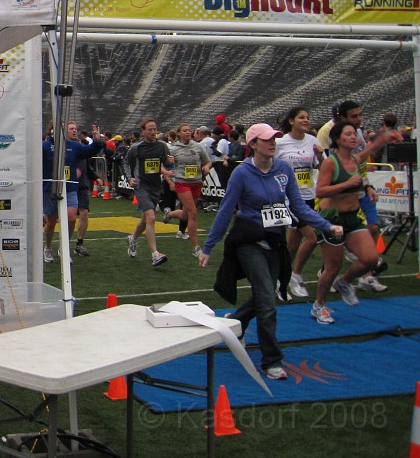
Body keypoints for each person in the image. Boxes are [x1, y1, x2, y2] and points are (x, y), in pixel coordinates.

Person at [199, 123, 343, 380]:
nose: (273, 143)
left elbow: (299, 206)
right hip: (248, 241)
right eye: (266, 140)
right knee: (267, 299)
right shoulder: (242, 173)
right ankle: (271, 360)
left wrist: (326, 226)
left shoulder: (283, 169)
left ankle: (237, 321)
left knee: (265, 294)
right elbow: (225, 210)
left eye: (275, 139)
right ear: (253, 144)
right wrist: (208, 247)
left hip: (275, 240)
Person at [310, 120, 386, 323]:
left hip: (352, 217)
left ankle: (344, 282)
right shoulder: (330, 162)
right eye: (348, 134)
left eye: (354, 134)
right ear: (337, 139)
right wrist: (346, 184)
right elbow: (320, 191)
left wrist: (366, 187)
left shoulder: (356, 158)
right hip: (332, 218)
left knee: (370, 258)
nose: (354, 137)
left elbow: (369, 150)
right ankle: (319, 305)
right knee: (332, 265)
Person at [275, 107, 325, 299]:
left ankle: (281, 277)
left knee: (293, 243)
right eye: (301, 117)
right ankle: (295, 275)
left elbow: (321, 165)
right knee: (312, 238)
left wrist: (320, 155)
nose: (306, 120)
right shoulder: (280, 142)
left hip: (308, 195)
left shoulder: (312, 140)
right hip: (290, 198)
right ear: (291, 121)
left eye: (307, 117)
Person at [41, 122, 104, 262]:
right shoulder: (45, 146)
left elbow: (89, 151)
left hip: (69, 187)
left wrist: (97, 141)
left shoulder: (74, 146)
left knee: (71, 218)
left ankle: (64, 247)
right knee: (51, 221)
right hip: (50, 189)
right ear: (52, 130)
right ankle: (48, 247)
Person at [125, 117, 172, 267]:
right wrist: (130, 178)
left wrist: (170, 162)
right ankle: (155, 254)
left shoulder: (163, 146)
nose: (153, 132)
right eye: (150, 129)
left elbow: (165, 163)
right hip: (141, 186)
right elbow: (125, 162)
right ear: (143, 132)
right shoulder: (136, 148)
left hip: (156, 186)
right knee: (151, 217)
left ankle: (132, 239)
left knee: (145, 219)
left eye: (154, 129)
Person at [163, 123, 212, 256]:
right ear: (178, 133)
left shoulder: (198, 146)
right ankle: (196, 248)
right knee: (193, 213)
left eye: (189, 130)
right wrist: (169, 179)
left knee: (186, 215)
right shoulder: (173, 149)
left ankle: (170, 214)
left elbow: (208, 161)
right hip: (182, 183)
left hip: (196, 182)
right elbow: (163, 167)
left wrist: (206, 168)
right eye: (184, 131)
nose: (188, 132)